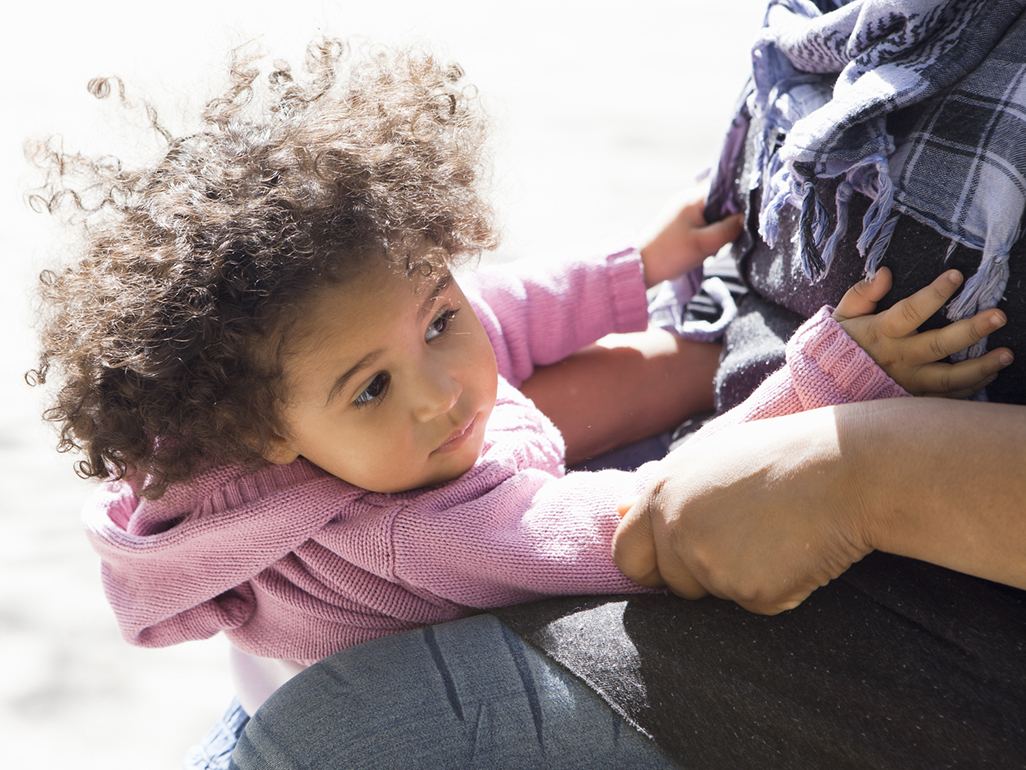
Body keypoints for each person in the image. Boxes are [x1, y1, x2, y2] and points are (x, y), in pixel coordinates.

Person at [223, 1, 1026, 768]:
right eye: (372, 391)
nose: (439, 395)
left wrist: (635, 264)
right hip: (549, 540)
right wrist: (828, 382)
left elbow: (503, 307)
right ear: (267, 431)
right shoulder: (425, 536)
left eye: (439, 325)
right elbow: (650, 521)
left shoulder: (312, 373)